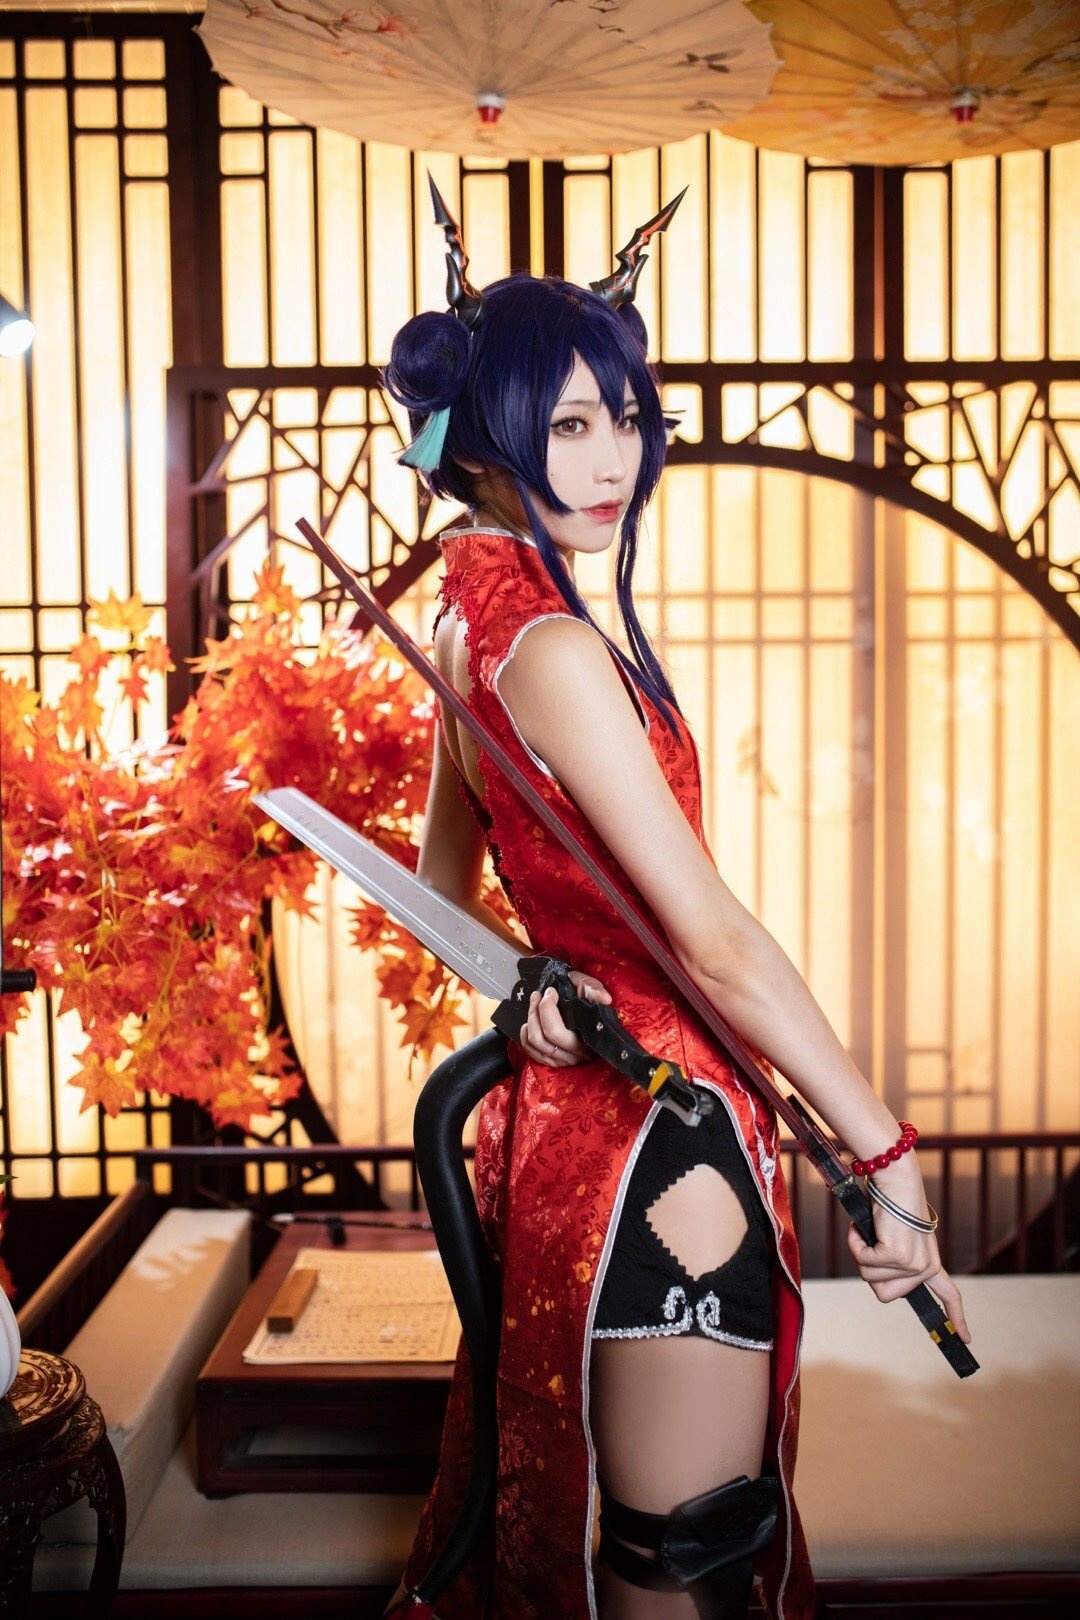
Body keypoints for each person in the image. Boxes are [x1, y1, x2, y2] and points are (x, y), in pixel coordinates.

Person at [381, 181, 971, 1620]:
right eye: (568, 424)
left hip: (579, 1130)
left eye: (628, 418)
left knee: (644, 1547)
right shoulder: (553, 652)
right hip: (663, 1136)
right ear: (485, 440)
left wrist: (534, 988)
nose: (614, 459)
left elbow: (440, 893)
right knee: (679, 1561)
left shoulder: (470, 626)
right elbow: (714, 942)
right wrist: (884, 1148)